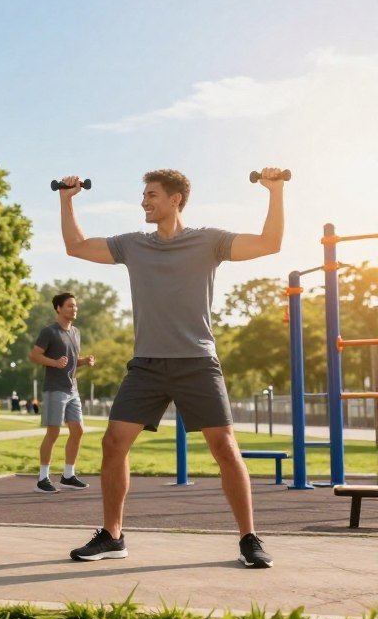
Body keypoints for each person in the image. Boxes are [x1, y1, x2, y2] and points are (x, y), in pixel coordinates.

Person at [59, 168, 285, 569]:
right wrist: (67, 198)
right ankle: (113, 535)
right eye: (144, 195)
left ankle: (249, 537)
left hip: (197, 362)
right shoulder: (133, 245)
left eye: (152, 195)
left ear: (176, 199)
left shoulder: (209, 241)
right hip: (147, 364)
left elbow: (269, 243)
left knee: (225, 449)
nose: (144, 202)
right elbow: (76, 246)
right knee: (113, 444)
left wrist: (275, 191)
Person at [30, 292, 95, 493]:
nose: (74, 309)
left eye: (75, 306)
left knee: (78, 431)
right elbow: (34, 356)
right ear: (58, 308)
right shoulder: (49, 332)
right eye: (69, 306)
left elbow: (71, 362)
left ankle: (68, 475)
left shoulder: (76, 332)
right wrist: (54, 363)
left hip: (72, 389)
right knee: (53, 432)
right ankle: (43, 479)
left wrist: (84, 362)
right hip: (54, 389)